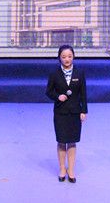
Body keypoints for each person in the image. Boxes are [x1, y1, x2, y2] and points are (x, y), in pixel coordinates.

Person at [45, 44, 88, 183]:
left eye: (69, 56)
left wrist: (84, 110)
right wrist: (58, 96)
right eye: (63, 57)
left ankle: (71, 170)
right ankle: (62, 168)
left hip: (75, 112)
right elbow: (48, 92)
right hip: (60, 112)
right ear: (59, 58)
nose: (67, 59)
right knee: (61, 141)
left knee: (72, 141)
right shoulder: (54, 73)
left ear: (73, 56)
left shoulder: (80, 73)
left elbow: (83, 93)